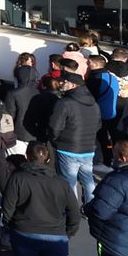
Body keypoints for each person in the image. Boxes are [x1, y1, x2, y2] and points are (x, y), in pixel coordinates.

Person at [43, 71, 99, 204]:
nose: (61, 83)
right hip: (88, 149)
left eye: (64, 82)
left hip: (68, 149)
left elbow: (54, 127)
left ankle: (71, 208)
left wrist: (55, 140)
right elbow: (98, 125)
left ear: (73, 85)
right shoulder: (94, 103)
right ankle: (91, 207)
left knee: (69, 182)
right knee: (88, 179)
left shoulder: (64, 103)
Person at [5, 55, 41, 157]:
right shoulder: (39, 92)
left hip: (18, 134)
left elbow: (9, 116)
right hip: (35, 135)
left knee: (16, 161)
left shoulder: (13, 93)